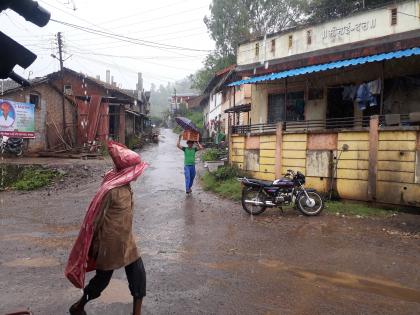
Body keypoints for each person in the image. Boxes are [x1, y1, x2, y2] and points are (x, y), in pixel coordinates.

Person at [66, 141, 148, 315]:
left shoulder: (124, 185)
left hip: (127, 240)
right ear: (127, 171)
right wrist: (93, 247)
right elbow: (94, 220)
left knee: (139, 277)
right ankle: (79, 306)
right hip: (109, 245)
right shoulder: (110, 189)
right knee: (100, 283)